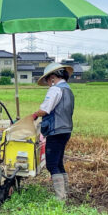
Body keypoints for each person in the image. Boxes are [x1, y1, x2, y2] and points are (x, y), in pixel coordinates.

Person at [31, 63, 75, 200]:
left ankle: (60, 197)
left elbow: (45, 110)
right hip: (66, 130)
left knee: (51, 164)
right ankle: (65, 193)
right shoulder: (68, 90)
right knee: (58, 163)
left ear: (53, 78)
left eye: (48, 81)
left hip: (55, 130)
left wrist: (34, 115)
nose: (49, 84)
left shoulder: (55, 89)